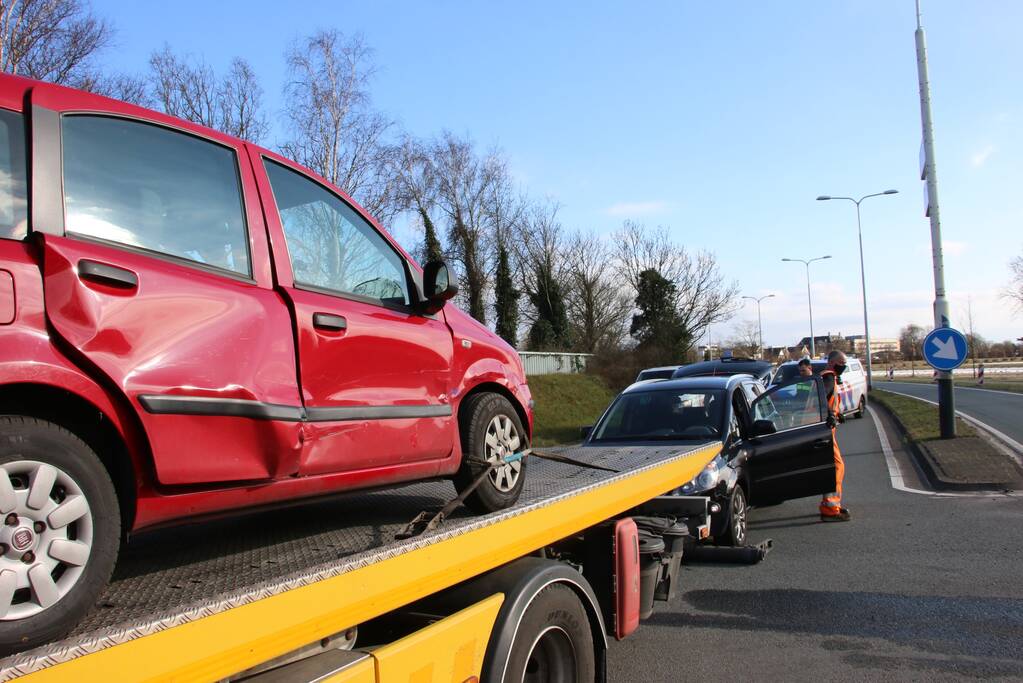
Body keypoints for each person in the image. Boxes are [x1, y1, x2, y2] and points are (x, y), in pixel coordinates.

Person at [819, 350, 850, 522]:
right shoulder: (829, 377)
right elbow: (821, 399)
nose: (843, 366)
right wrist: (831, 414)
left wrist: (837, 413)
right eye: (841, 363)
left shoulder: (828, 377)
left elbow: (827, 400)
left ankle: (830, 505)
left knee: (835, 466)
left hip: (825, 428)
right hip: (825, 429)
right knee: (836, 467)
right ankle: (830, 509)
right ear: (832, 363)